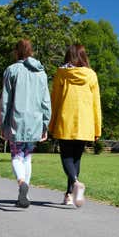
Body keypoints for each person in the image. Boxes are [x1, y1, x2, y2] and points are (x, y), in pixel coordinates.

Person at [0, 39, 51, 208]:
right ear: (31, 51)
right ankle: (24, 196)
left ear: (17, 52)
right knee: (27, 157)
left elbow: (5, 101)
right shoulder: (41, 73)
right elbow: (46, 102)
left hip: (16, 120)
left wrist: (2, 124)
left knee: (16, 156)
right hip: (35, 121)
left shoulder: (11, 70)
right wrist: (45, 124)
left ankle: (22, 183)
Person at [48, 44, 102, 207]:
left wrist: (51, 123)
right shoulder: (91, 75)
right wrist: (97, 126)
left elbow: (55, 99)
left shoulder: (62, 73)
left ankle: (75, 183)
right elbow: (96, 103)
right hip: (85, 123)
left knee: (66, 156)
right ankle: (69, 194)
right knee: (76, 159)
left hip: (66, 120)